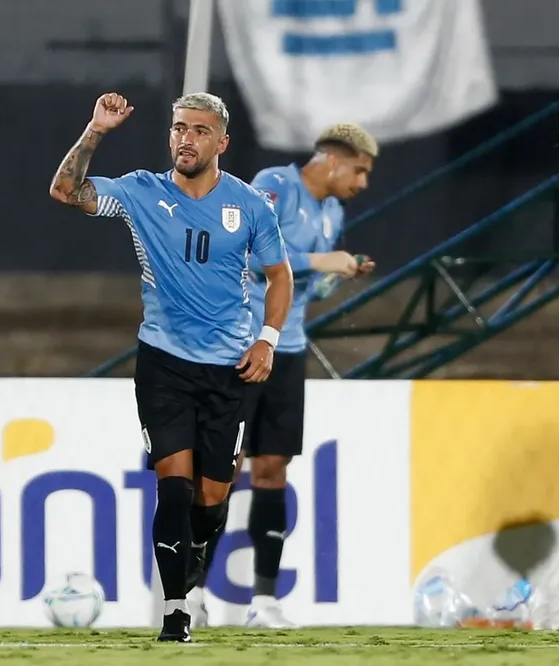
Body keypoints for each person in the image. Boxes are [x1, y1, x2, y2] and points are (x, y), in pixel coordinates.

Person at [49, 92, 293, 642]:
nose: (186, 138)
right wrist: (95, 131)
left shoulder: (251, 206)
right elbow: (65, 191)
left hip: (228, 369)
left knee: (210, 501)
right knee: (174, 490)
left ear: (222, 142)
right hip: (163, 363)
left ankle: (198, 559)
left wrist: (268, 340)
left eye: (200, 130)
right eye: (180, 128)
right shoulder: (141, 191)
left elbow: (280, 276)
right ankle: (176, 609)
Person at [187, 123, 379, 629]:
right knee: (219, 472)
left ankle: (265, 601)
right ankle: (192, 592)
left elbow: (307, 291)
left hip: (289, 350)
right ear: (335, 161)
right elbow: (246, 254)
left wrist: (336, 277)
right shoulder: (274, 183)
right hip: (242, 345)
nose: (362, 183)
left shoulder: (332, 213)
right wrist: (322, 259)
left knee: (273, 469)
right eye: (359, 171)